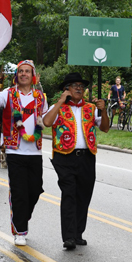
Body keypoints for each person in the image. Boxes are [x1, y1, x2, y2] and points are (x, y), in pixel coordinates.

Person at [0, 60, 47, 246]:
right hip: (14, 151)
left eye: (27, 71)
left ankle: (22, 216)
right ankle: (20, 229)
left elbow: (47, 118)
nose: (24, 74)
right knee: (19, 192)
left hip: (35, 153)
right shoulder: (8, 94)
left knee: (35, 190)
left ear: (33, 76)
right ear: (17, 75)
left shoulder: (41, 97)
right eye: (21, 71)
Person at [43, 72, 109, 250]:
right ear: (67, 89)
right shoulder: (57, 107)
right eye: (74, 85)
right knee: (69, 195)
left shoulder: (91, 107)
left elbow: (105, 128)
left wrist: (103, 110)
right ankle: (69, 237)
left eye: (81, 85)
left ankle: (78, 233)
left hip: (87, 157)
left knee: (83, 196)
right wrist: (60, 101)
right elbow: (47, 122)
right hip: (65, 157)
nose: (79, 88)